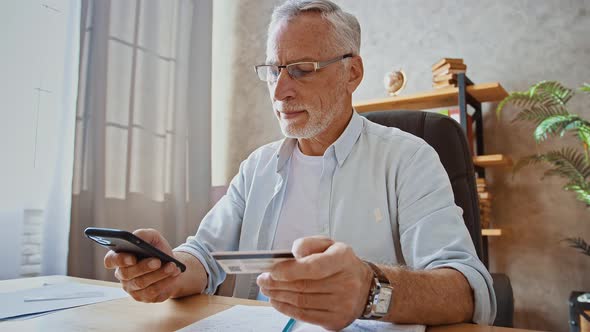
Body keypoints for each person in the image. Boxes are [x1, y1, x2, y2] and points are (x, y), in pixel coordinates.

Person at [103, 0, 496, 330]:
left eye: (302, 70)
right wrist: (166, 271)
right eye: (274, 69)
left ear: (352, 73)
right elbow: (205, 258)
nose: (279, 90)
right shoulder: (258, 166)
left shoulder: (409, 158)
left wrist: (369, 290)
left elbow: (469, 291)